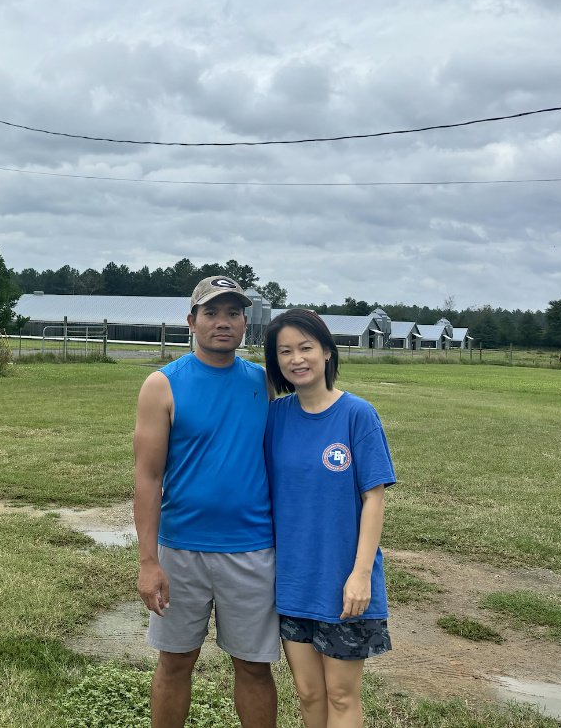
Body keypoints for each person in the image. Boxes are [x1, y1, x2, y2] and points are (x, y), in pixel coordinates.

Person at [133, 275, 278, 728]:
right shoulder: (162, 385)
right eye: (212, 313)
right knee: (175, 662)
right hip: (182, 551)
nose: (223, 322)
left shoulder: (266, 384)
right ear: (191, 321)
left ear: (245, 322)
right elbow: (148, 475)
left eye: (234, 313)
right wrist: (147, 561)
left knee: (254, 667)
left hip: (252, 549)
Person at [264, 309, 396, 728]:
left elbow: (374, 499)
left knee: (341, 695)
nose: (296, 359)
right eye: (285, 351)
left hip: (344, 584)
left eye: (306, 348)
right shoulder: (275, 417)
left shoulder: (358, 415)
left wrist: (360, 575)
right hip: (293, 580)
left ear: (327, 352)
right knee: (308, 694)